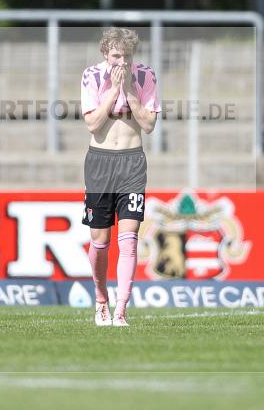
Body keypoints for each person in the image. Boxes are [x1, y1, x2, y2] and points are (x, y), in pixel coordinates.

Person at [80, 27, 161, 327]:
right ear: (105, 54)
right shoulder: (91, 76)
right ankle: (101, 299)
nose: (122, 62)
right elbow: (92, 123)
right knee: (100, 241)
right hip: (100, 162)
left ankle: (121, 309)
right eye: (116, 56)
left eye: (127, 56)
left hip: (132, 162)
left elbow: (149, 124)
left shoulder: (146, 75)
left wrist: (129, 91)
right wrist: (114, 91)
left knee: (128, 241)